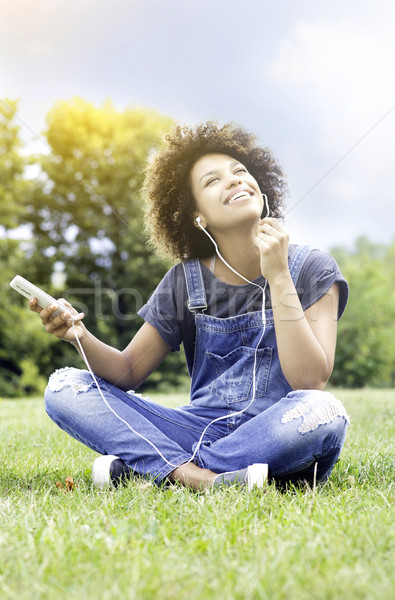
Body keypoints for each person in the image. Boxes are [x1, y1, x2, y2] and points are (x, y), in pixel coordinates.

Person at [29, 122, 350, 491]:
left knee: (324, 411)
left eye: (241, 172)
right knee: (64, 386)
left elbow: (310, 381)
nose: (234, 181)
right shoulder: (184, 281)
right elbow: (128, 372)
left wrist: (278, 276)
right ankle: (207, 479)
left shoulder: (312, 268)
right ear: (198, 217)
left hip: (279, 428)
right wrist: (79, 336)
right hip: (196, 429)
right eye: (212, 181)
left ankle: (158, 471)